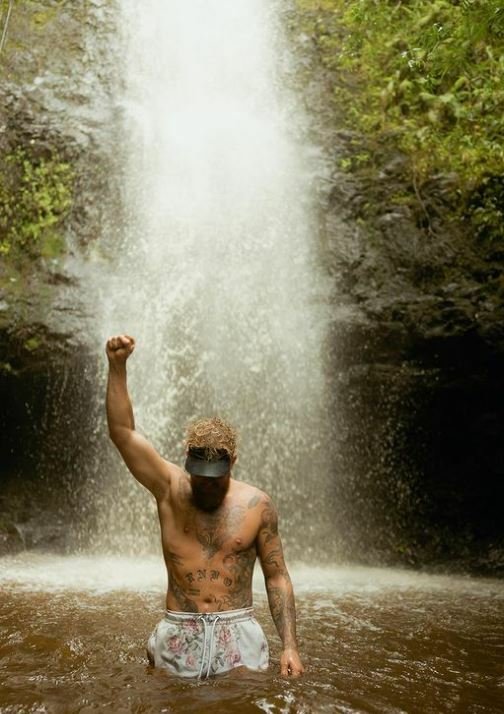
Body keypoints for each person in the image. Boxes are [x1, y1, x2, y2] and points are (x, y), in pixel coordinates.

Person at [105, 334, 304, 679]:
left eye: (217, 476)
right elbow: (123, 432)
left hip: (238, 631)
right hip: (179, 629)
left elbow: (277, 577)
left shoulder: (257, 505)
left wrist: (289, 646)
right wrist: (117, 366)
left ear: (234, 462)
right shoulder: (169, 488)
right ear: (187, 461)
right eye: (200, 475)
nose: (208, 484)